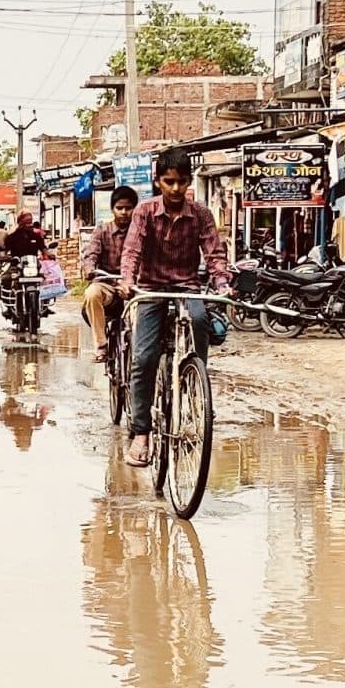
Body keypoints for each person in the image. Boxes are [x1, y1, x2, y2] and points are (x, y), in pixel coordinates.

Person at [118, 148, 229, 468]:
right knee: (143, 358)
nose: (176, 189)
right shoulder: (144, 212)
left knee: (199, 319)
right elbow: (132, 251)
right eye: (169, 182)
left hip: (187, 288)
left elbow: (214, 254)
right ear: (158, 182)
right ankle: (141, 432)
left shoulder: (202, 214)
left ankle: (195, 381)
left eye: (181, 182)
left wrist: (222, 283)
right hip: (150, 289)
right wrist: (127, 280)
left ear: (189, 181)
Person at [77, 183, 139, 356]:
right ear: (112, 209)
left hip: (135, 286)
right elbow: (91, 254)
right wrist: (89, 268)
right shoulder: (102, 231)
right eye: (119, 208)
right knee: (91, 294)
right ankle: (101, 344)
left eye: (128, 208)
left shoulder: (140, 232)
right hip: (107, 284)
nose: (124, 212)